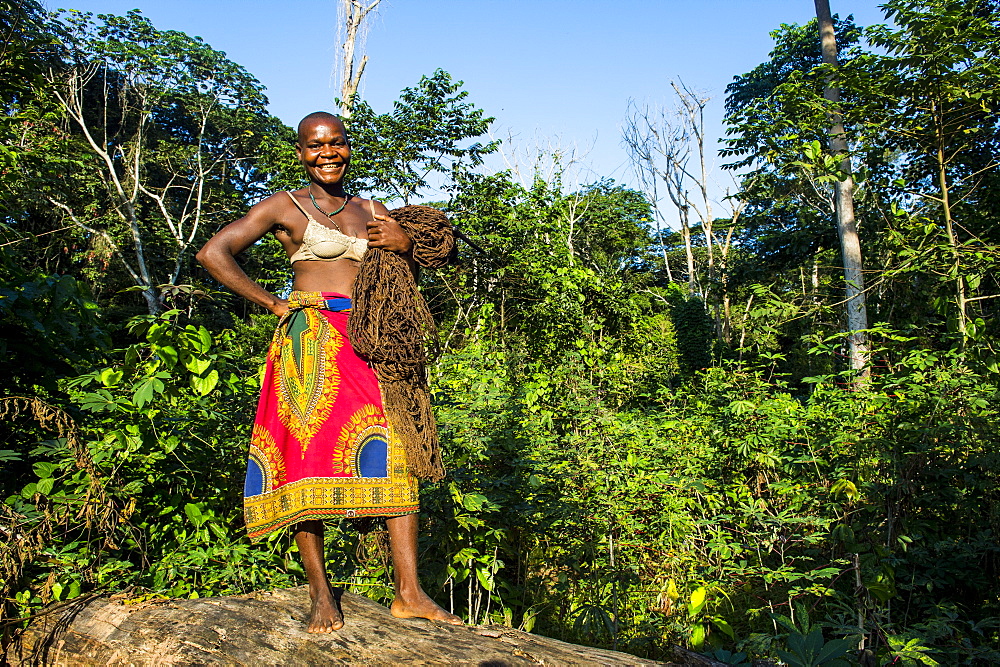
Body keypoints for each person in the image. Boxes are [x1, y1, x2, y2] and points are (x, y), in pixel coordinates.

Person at [196, 111, 462, 633]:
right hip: (310, 344)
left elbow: (412, 267)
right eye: (316, 146)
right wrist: (273, 303)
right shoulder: (284, 206)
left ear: (347, 147)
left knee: (397, 452)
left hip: (372, 339)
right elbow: (214, 252)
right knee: (305, 458)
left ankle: (408, 592)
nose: (327, 153)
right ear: (301, 152)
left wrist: (405, 245)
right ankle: (321, 592)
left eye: (335, 144)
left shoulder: (370, 210)